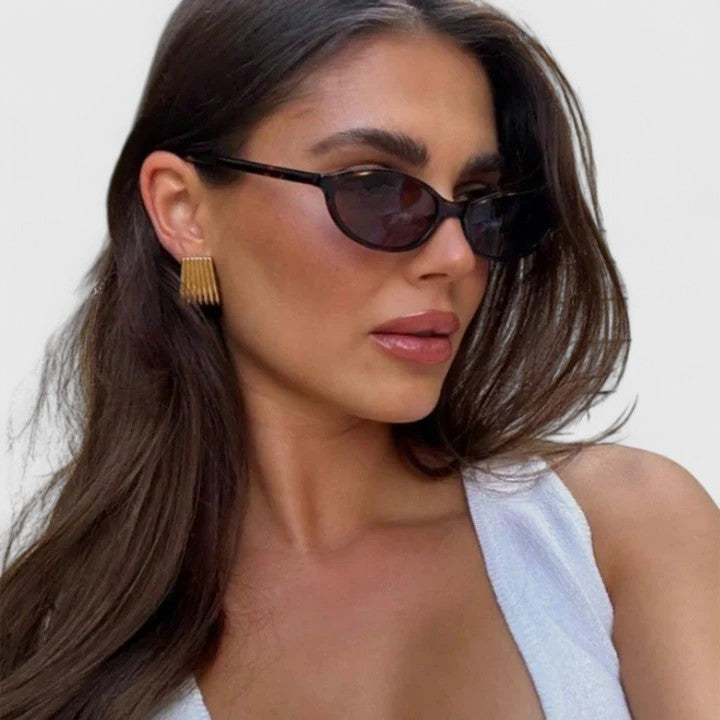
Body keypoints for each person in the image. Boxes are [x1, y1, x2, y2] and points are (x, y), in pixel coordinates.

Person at [1, 1, 718, 718]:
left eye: (479, 200)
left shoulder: (614, 536)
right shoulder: (50, 651)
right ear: (185, 212)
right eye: (376, 189)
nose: (455, 256)